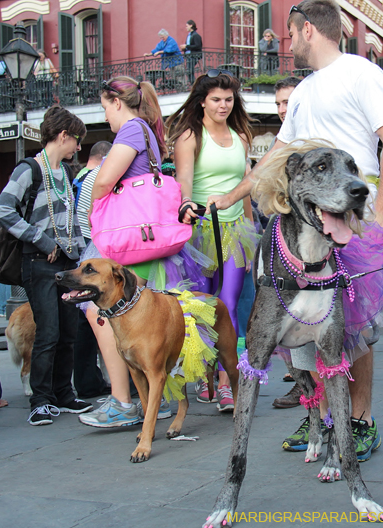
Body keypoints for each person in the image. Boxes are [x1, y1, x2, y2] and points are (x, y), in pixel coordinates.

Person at [209, 0, 383, 461]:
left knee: (350, 328)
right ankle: (320, 411)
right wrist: (228, 198)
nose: (287, 42)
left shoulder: (362, 73)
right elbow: (275, 159)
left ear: (309, 31)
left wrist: (379, 210)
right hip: (306, 218)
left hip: (353, 214)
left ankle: (360, 422)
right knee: (298, 318)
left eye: (290, 34)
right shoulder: (302, 91)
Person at [80, 77, 182, 427]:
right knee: (140, 319)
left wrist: (92, 205)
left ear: (117, 102)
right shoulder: (146, 130)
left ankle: (122, 401)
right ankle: (154, 400)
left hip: (123, 237)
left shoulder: (131, 130)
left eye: (105, 107)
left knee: (104, 312)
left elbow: (105, 180)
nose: (105, 115)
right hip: (142, 236)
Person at [165, 70, 257, 413]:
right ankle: (203, 375)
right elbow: (183, 179)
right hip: (200, 230)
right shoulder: (190, 135)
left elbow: (245, 185)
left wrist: (250, 228)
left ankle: (225, 380)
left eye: (229, 99)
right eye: (216, 99)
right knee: (201, 305)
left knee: (229, 303)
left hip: (235, 231)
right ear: (202, 100)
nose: (223, 105)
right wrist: (186, 203)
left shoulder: (241, 135)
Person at [0, 105, 92, 426]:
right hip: (38, 262)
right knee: (47, 332)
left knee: (68, 331)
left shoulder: (63, 172)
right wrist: (41, 239)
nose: (78, 147)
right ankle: (41, 399)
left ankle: (63, 393)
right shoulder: (29, 170)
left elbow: (71, 220)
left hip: (66, 264)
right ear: (63, 135)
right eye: (76, 140)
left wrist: (79, 257)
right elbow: (2, 210)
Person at [269, 75, 304, 409]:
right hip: (281, 240)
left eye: (288, 102)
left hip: (312, 245)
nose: (283, 109)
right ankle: (298, 378)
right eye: (278, 103)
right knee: (283, 309)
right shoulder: (280, 144)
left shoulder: (309, 139)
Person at [71, 140, 112, 399]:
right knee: (97, 317)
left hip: (90, 246)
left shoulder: (86, 176)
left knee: (88, 320)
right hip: (97, 247)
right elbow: (90, 215)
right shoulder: (101, 176)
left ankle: (88, 383)